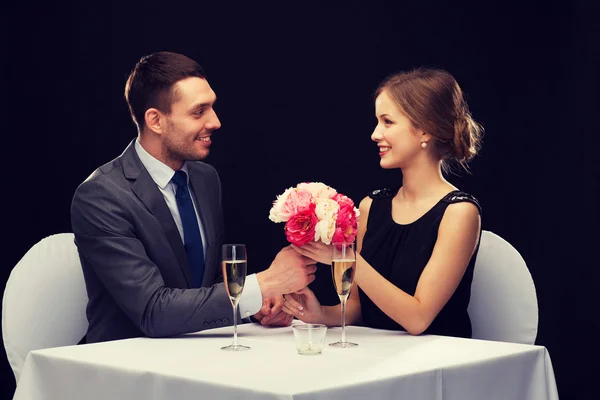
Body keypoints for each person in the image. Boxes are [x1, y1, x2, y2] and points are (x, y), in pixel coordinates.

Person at [71, 51, 317, 343]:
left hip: (197, 355)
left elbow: (204, 285)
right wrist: (265, 283)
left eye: (212, 108)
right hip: (124, 367)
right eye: (199, 112)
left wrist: (254, 307)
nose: (215, 122)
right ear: (156, 121)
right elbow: (153, 311)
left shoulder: (205, 178)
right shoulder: (101, 196)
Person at [284, 68, 483, 338]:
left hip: (437, 363)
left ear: (425, 130)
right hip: (379, 354)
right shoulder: (371, 206)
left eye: (387, 122)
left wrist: (345, 258)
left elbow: (418, 319)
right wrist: (319, 314)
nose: (375, 134)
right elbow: (357, 308)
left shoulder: (459, 212)